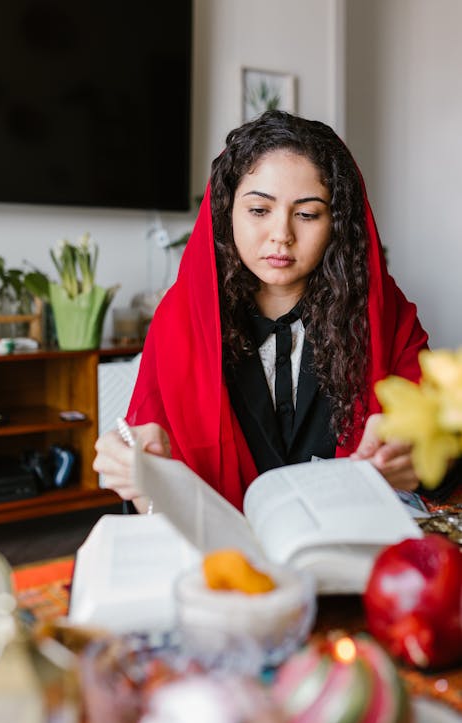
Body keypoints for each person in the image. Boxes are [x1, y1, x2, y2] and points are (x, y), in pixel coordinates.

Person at [94, 110, 445, 512]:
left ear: (338, 223)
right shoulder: (181, 319)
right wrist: (137, 472)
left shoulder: (385, 314)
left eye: (308, 214)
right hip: (223, 558)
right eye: (259, 210)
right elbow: (150, 482)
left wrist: (418, 458)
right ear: (226, 213)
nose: (282, 235)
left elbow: (441, 457)